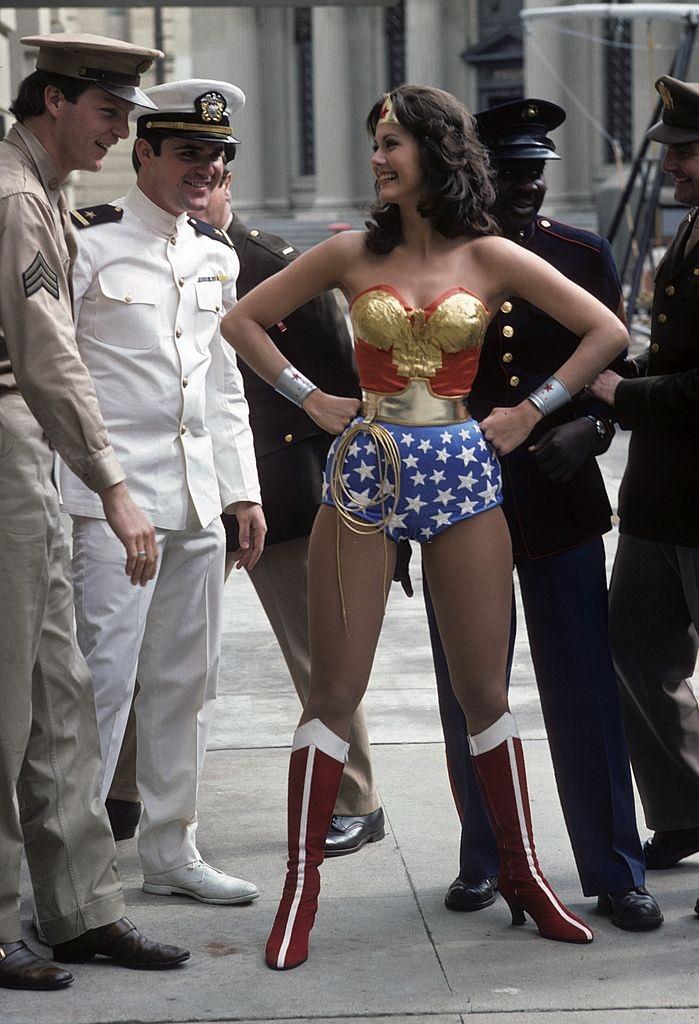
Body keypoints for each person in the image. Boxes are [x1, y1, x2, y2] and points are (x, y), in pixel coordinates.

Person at [222, 84, 629, 970]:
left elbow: (605, 330)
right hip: (365, 472)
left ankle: (522, 875)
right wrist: (311, 398)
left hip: (462, 474)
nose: (377, 157)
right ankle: (300, 893)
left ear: (435, 154)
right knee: (335, 691)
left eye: (392, 142)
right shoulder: (347, 252)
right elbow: (241, 319)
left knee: (486, 693)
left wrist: (531, 409)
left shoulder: (488, 256)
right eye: (375, 141)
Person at [422, 98, 661, 932]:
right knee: (470, 686)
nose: (527, 186)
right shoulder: (437, 260)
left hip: (558, 498)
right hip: (463, 497)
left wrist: (590, 430)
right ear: (476, 173)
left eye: (537, 171)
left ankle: (613, 868)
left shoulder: (579, 253)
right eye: (511, 171)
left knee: (583, 687)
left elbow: (613, 373)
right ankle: (483, 857)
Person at [104, 171, 387, 858]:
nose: (201, 192)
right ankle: (121, 790)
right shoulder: (134, 250)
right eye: (189, 171)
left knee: (316, 650)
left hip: (279, 488)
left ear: (230, 184)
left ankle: (355, 796)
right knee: (147, 646)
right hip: (184, 486)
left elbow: (336, 381)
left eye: (215, 176)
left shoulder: (270, 261)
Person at [0, 32, 190, 992]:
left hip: (28, 449)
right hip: (10, 441)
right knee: (7, 702)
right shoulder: (14, 197)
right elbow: (44, 355)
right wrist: (114, 484)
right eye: (110, 111)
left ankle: (79, 910)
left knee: (61, 694)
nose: (122, 130)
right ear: (55, 101)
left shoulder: (41, 190)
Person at [59, 79, 264, 906]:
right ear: (144, 153)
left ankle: (171, 848)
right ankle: (69, 866)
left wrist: (241, 492)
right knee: (100, 684)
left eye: (217, 155)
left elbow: (222, 385)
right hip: (110, 505)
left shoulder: (215, 256)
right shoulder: (85, 246)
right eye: (188, 153)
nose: (204, 169)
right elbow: (56, 380)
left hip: (194, 501)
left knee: (189, 679)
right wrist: (89, 489)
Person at [591, 74, 699, 892]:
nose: (672, 167)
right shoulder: (690, 229)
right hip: (659, 501)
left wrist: (623, 395)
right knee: (633, 650)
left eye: (687, 153)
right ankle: (684, 810)